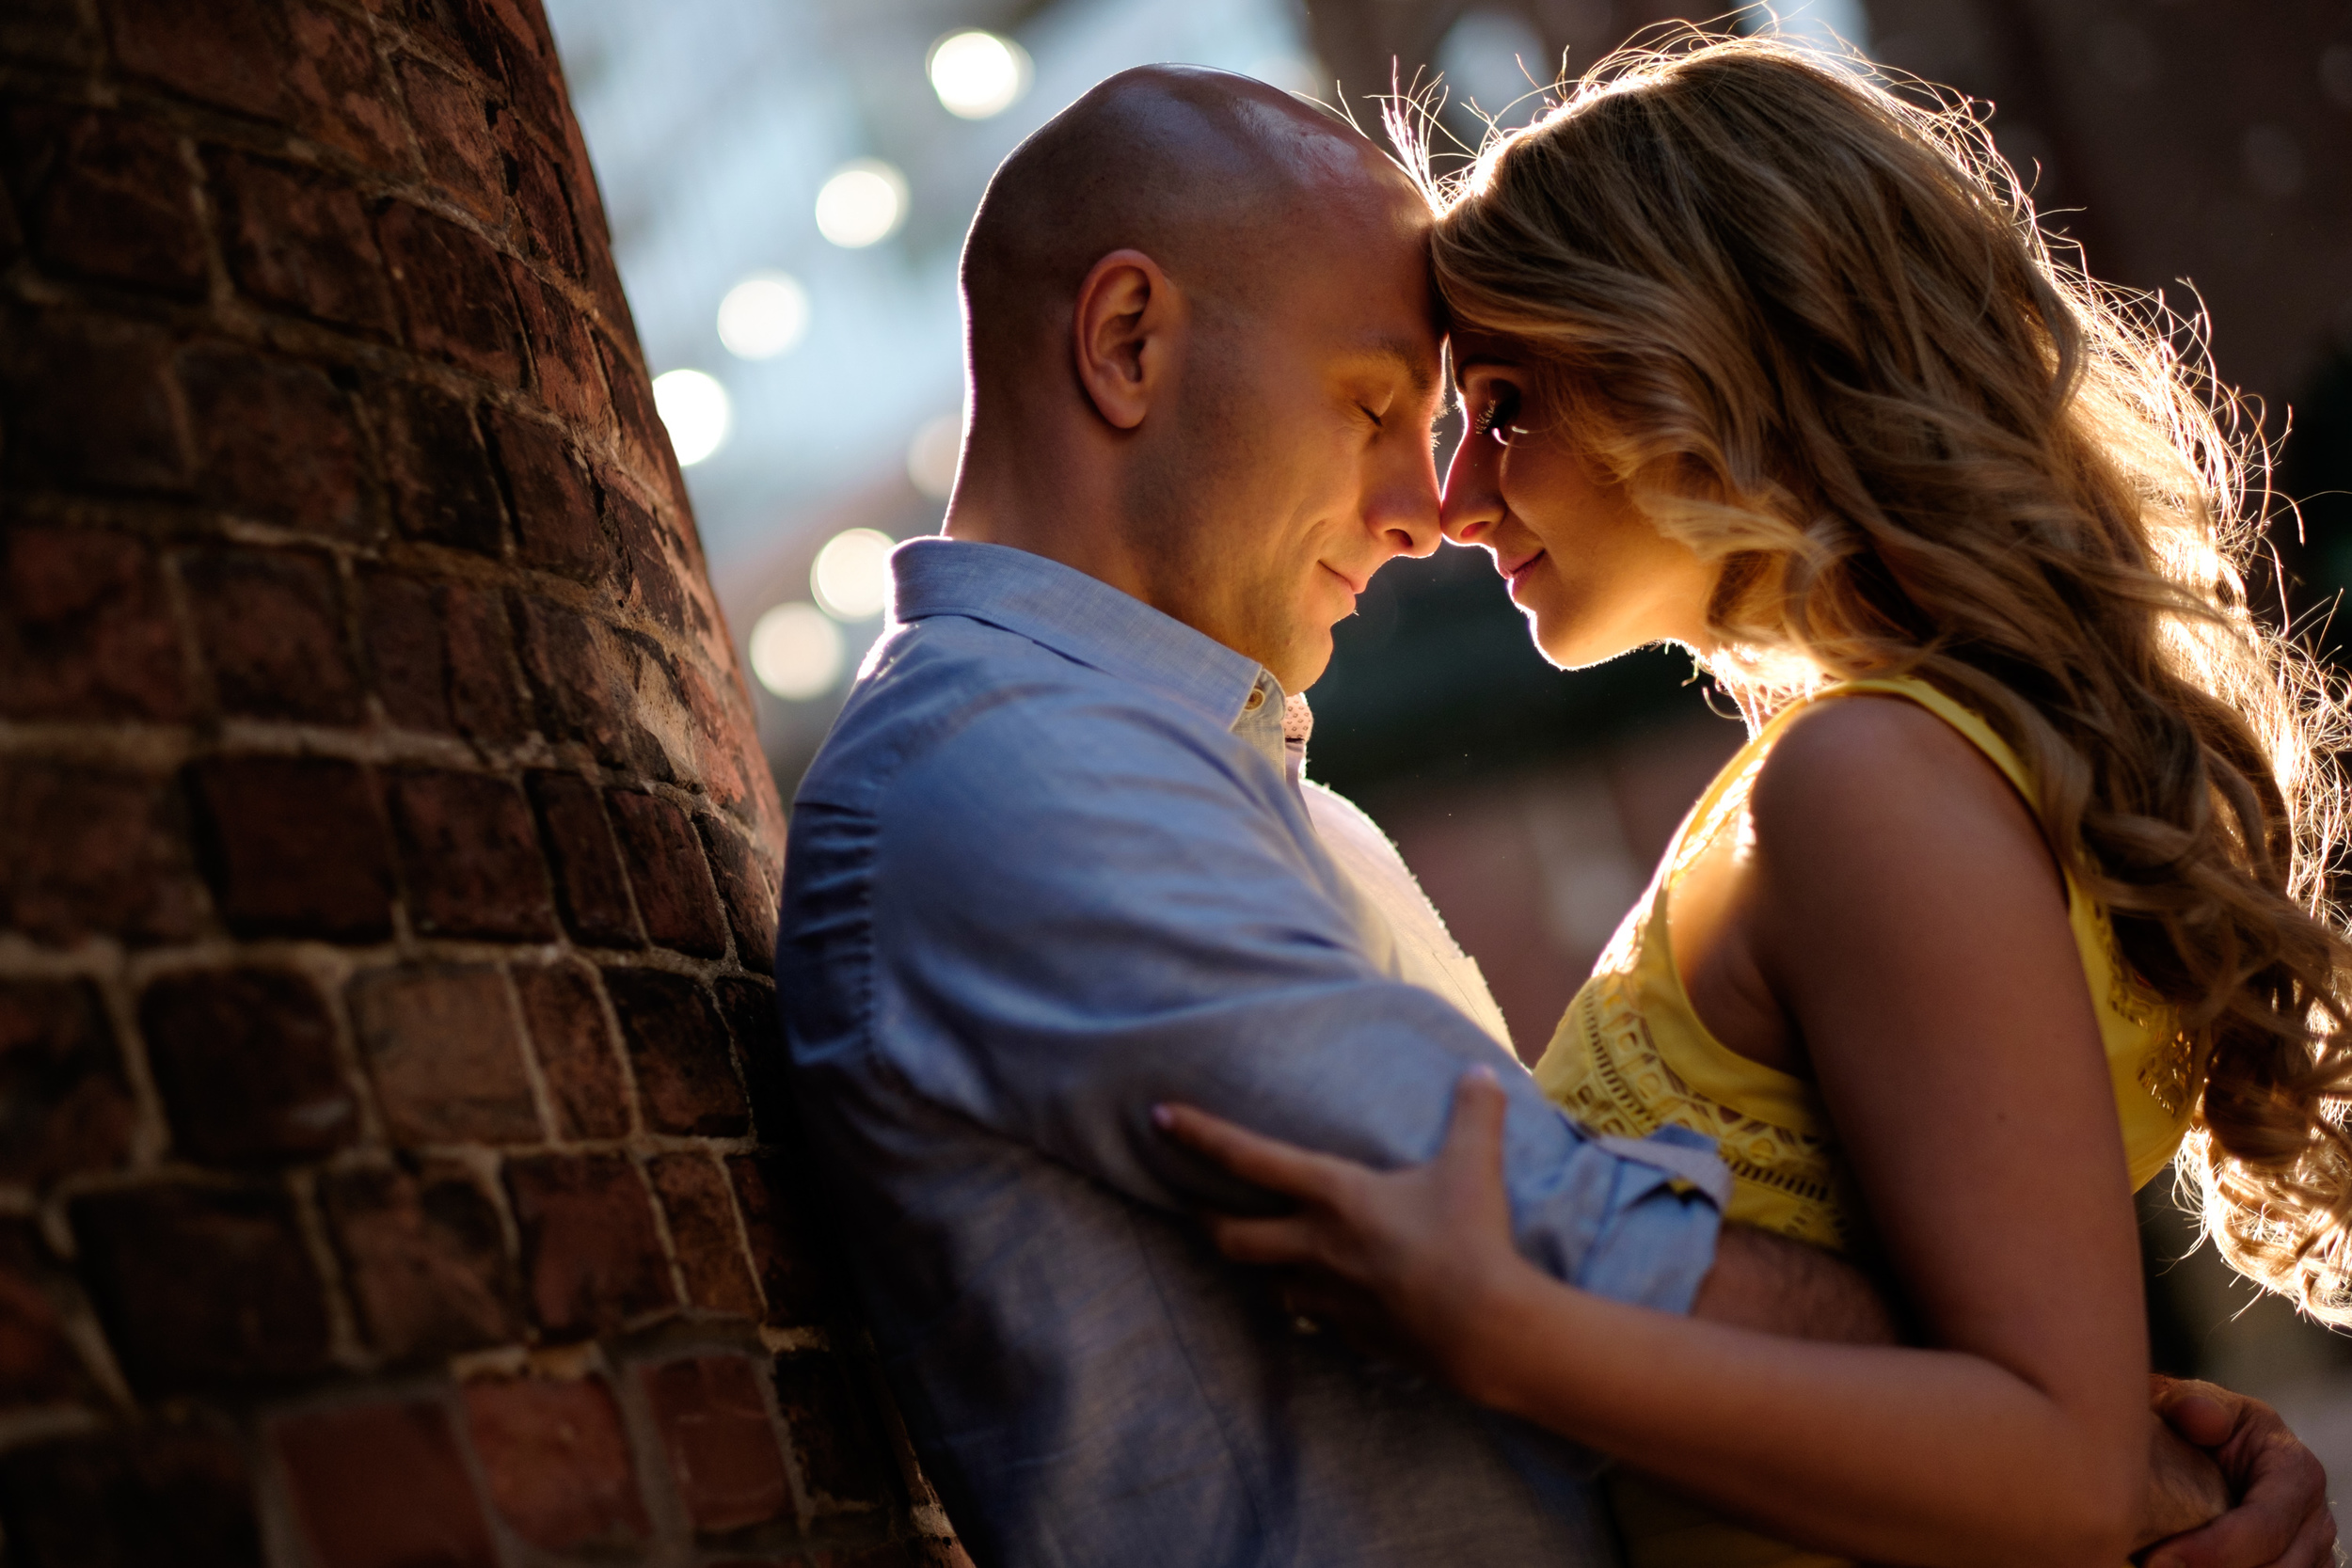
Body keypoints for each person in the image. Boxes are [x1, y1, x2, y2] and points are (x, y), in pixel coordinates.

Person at [775, 58, 2324, 1568]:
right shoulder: (1014, 775)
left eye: (1490, 404)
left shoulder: (1844, 776)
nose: (1434, 506)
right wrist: (2102, 1447)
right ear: (1124, 342)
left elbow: (1563, 1276)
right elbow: (1551, 1230)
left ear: (1703, 370)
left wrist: (2060, 1431)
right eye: (1387, 402)